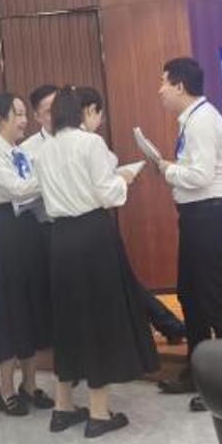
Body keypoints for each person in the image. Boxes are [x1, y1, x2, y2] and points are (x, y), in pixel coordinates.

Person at [33, 86, 159, 439]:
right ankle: (100, 413)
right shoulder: (91, 144)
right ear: (84, 112)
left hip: (60, 238)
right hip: (92, 235)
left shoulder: (44, 150)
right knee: (98, 319)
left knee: (67, 320)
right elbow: (108, 194)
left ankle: (63, 408)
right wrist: (126, 178)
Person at [25, 84, 186, 345]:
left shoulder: (60, 146)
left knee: (98, 292)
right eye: (47, 110)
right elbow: (104, 191)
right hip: (70, 228)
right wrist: (121, 180)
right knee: (100, 294)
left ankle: (95, 352)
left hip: (73, 230)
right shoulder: (39, 148)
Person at [154, 57, 222, 411]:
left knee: (214, 299)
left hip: (209, 215)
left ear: (180, 86)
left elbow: (201, 176)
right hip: (197, 217)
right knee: (190, 296)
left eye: (164, 82)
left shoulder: (202, 121)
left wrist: (167, 170)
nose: (160, 90)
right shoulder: (194, 119)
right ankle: (197, 371)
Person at [0, 93, 54, 416]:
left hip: (27, 228)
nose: (24, 121)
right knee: (8, 307)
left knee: (30, 305)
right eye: (18, 114)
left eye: (23, 114)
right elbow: (18, 189)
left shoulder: (19, 152)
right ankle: (5, 389)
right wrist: (52, 175)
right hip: (3, 231)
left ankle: (30, 385)